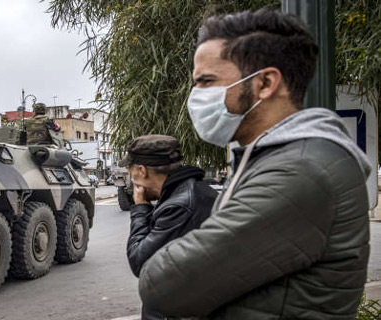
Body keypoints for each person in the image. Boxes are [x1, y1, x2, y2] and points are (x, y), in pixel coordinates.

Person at [138, 8, 372, 319]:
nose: (196, 96)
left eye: (207, 81)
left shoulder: (300, 171)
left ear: (265, 83)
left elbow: (164, 284)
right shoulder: (279, 158)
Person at [120, 135, 217, 320]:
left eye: (131, 170)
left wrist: (140, 208)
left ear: (142, 170)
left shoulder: (179, 206)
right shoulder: (190, 191)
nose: (132, 179)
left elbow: (140, 262)